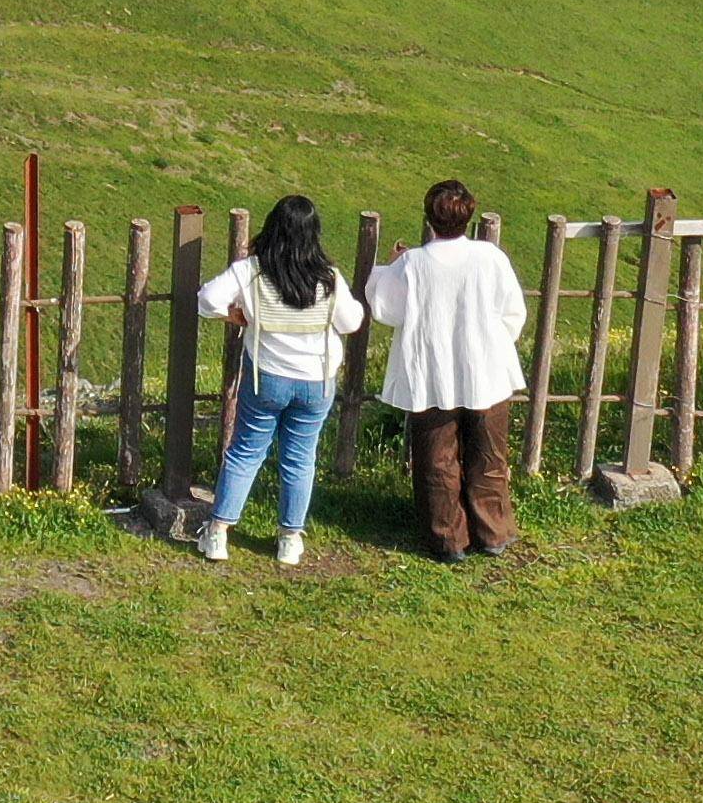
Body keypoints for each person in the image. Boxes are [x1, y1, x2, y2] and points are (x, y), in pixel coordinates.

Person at [196, 194, 367, 567]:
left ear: (273, 227)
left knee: (245, 452)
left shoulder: (253, 271)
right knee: (300, 458)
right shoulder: (327, 277)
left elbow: (207, 300)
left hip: (267, 377)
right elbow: (352, 322)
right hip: (316, 381)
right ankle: (290, 538)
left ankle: (218, 533)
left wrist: (236, 316)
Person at [367, 179, 530, 562]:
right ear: (469, 216)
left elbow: (386, 309)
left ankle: (447, 538)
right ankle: (493, 532)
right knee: (489, 454)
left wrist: (388, 267)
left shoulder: (413, 264)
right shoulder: (490, 258)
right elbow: (513, 312)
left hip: (433, 371)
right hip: (486, 369)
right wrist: (490, 344)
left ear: (429, 218)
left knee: (436, 458)